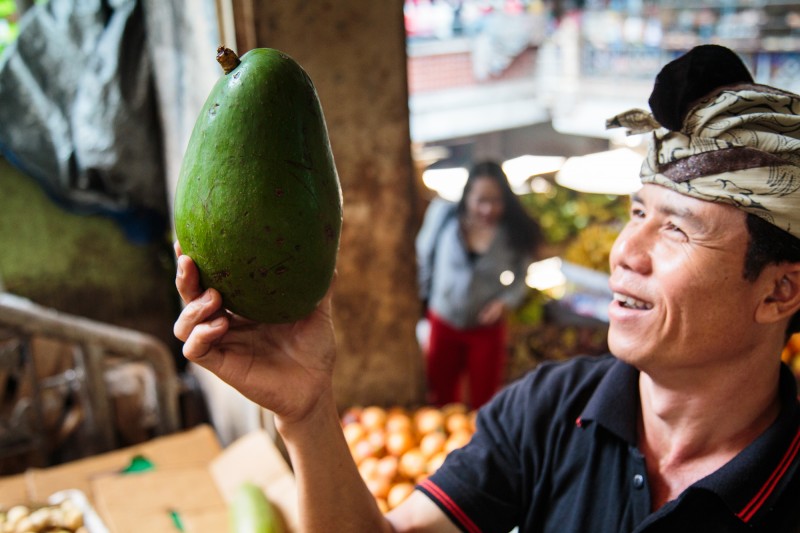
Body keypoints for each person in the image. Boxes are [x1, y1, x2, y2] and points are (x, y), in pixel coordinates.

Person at [173, 44, 800, 532]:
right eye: (637, 213)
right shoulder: (551, 411)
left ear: (780, 291)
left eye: (679, 231)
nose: (624, 253)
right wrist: (307, 412)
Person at [415, 160, 542, 409]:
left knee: (485, 401)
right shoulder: (445, 218)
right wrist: (423, 304)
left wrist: (506, 302)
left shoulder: (513, 234)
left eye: (496, 201)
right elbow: (424, 259)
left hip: (486, 328)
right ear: (467, 196)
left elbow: (522, 276)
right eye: (481, 200)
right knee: (439, 396)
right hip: (443, 321)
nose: (488, 209)